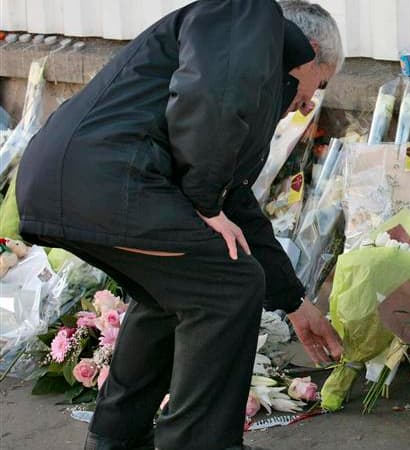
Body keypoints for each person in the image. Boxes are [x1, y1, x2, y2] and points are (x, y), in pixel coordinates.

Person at [15, 1, 344, 449]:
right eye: (318, 84)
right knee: (229, 283)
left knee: (172, 291)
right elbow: (208, 96)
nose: (309, 102)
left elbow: (237, 204)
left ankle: (115, 437)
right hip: (104, 178)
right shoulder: (249, 15)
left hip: (71, 180)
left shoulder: (255, 66)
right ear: (308, 50)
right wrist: (206, 202)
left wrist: (293, 300)